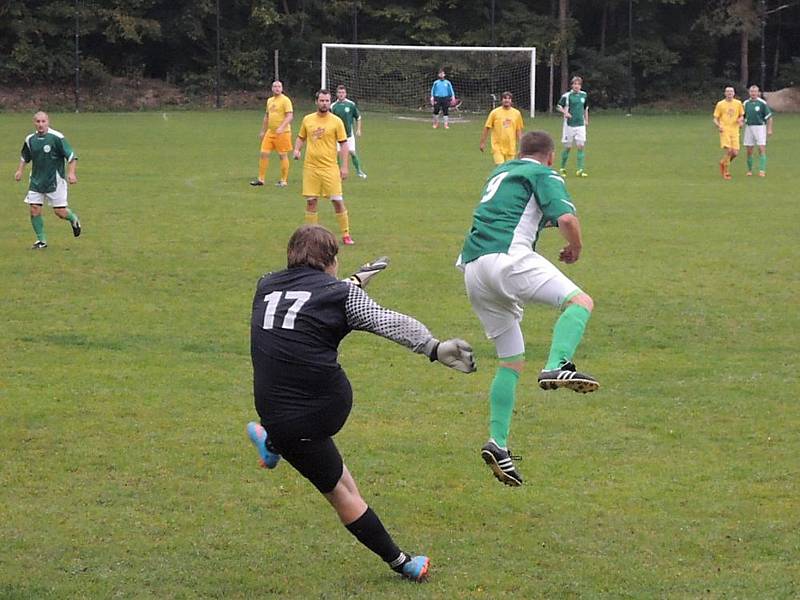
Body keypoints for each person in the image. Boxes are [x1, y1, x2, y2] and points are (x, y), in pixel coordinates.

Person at [246, 224, 476, 581]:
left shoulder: (265, 285)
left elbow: (307, 300)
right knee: (344, 493)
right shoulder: (340, 296)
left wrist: (351, 282)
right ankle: (402, 563)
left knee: (307, 450)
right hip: (314, 414)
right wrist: (433, 347)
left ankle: (271, 442)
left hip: (274, 406)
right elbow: (385, 320)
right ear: (331, 260)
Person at [458, 130, 598, 488]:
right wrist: (576, 247)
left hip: (473, 269)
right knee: (579, 302)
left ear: (521, 152)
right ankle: (557, 364)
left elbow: (528, 214)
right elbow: (566, 220)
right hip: (508, 257)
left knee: (510, 359)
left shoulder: (501, 173)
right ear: (550, 157)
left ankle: (498, 442)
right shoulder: (544, 173)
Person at [293, 90, 355, 245]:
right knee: (311, 201)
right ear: (316, 102)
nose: (324, 103)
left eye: (327, 101)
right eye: (322, 100)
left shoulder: (336, 121)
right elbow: (301, 137)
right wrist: (297, 149)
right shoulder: (308, 120)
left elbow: (343, 143)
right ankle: (311, 236)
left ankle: (346, 234)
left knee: (337, 201)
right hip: (311, 168)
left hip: (330, 168)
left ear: (330, 102)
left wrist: (345, 166)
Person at [14, 111, 81, 249]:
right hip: (36, 181)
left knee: (60, 212)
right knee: (34, 209)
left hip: (55, 181)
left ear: (48, 122)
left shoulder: (57, 137)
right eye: (38, 121)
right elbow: (25, 156)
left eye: (43, 121)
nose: (40, 124)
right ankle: (41, 241)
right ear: (34, 123)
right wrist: (20, 170)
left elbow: (72, 156)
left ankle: (73, 219)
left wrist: (72, 173)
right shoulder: (30, 139)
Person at [251, 80, 293, 188]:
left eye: (279, 86)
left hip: (283, 132)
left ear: (282, 88)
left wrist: (282, 127)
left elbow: (289, 116)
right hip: (270, 132)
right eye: (275, 86)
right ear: (272, 88)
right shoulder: (270, 101)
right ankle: (261, 179)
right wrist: (263, 131)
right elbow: (267, 116)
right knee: (264, 153)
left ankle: (283, 180)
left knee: (282, 155)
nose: (277, 88)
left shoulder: (285, 100)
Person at [331, 85, 367, 179]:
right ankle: (338, 172)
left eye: (343, 93)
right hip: (336, 135)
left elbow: (358, 117)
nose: (341, 94)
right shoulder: (333, 106)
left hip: (348, 134)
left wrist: (358, 129)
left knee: (352, 152)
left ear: (345, 94)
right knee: (337, 153)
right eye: (339, 93)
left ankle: (359, 171)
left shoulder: (351, 104)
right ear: (337, 94)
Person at [556, 76, 589, 177]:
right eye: (575, 84)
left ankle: (580, 170)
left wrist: (586, 120)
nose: (576, 86)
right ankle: (562, 168)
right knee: (568, 147)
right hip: (569, 125)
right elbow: (558, 106)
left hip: (580, 125)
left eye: (578, 84)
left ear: (580, 86)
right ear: (572, 85)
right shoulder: (567, 96)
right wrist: (565, 112)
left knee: (581, 146)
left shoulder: (584, 95)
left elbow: (585, 108)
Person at [479, 91, 525, 165]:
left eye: (509, 98)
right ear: (501, 100)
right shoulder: (494, 113)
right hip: (497, 147)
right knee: (501, 168)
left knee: (508, 170)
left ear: (511, 101)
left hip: (511, 147)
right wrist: (482, 142)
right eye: (504, 98)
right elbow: (487, 127)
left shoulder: (517, 113)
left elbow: (519, 130)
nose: (507, 100)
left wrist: (521, 146)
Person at [713, 85, 744, 180]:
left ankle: (723, 162)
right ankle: (725, 171)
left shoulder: (738, 103)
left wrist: (740, 121)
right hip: (725, 130)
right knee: (729, 150)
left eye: (731, 92)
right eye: (728, 92)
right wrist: (719, 126)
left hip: (735, 130)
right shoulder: (720, 104)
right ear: (725, 93)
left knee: (735, 153)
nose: (729, 93)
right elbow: (715, 118)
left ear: (734, 93)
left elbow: (741, 115)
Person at [743, 84, 773, 177]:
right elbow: (742, 116)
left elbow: (769, 117)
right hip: (749, 127)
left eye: (755, 91)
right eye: (751, 91)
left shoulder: (762, 103)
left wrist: (769, 129)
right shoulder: (745, 103)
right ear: (749, 92)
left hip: (760, 127)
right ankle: (749, 170)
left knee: (761, 148)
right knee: (749, 150)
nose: (753, 93)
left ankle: (762, 170)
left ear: (758, 93)